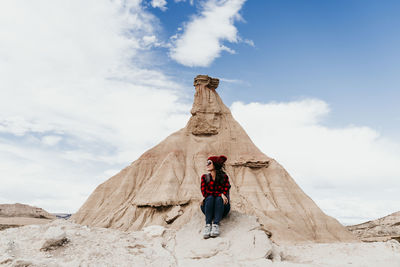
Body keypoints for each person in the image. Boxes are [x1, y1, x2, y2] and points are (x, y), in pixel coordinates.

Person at [200, 155, 231, 238]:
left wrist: (220, 195)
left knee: (218, 199)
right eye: (207, 162)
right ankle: (208, 225)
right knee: (210, 197)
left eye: (209, 162)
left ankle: (216, 225)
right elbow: (205, 193)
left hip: (222, 208)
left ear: (215, 164)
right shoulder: (204, 177)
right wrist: (220, 194)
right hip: (208, 207)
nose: (207, 164)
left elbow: (225, 191)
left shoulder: (225, 178)